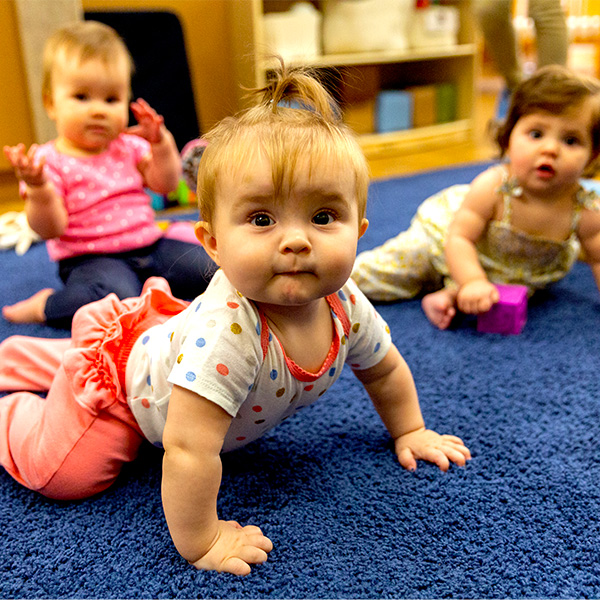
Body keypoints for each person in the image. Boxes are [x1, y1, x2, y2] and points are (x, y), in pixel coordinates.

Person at [0, 63, 471, 575]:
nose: (296, 240)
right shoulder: (229, 333)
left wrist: (411, 430)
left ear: (358, 231)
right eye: (262, 219)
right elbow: (186, 448)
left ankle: (32, 358)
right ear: (213, 244)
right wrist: (201, 540)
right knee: (66, 473)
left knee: (115, 359)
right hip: (124, 397)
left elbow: (383, 369)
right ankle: (15, 413)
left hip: (158, 347)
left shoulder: (346, 303)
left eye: (322, 217)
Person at [352, 65, 600, 330]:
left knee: (492, 296)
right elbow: (459, 238)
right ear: (508, 137)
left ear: (593, 156)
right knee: (403, 267)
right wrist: (472, 281)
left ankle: (447, 295)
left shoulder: (584, 209)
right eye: (536, 134)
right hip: (448, 235)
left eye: (571, 140)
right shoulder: (493, 187)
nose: (550, 149)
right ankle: (344, 279)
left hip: (514, 272)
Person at [2, 21, 213, 329]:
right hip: (92, 261)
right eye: (82, 97)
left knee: (213, 268)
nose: (99, 110)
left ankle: (150, 289)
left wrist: (160, 143)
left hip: (151, 246)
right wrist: (38, 188)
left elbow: (165, 183)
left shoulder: (128, 145)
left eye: (111, 99)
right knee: (116, 304)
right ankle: (46, 306)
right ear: (51, 103)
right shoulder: (48, 161)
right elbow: (49, 228)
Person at [476, 0, 568, 120]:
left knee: (545, 9)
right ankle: (515, 89)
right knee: (488, 10)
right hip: (514, 81)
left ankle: (550, 98)